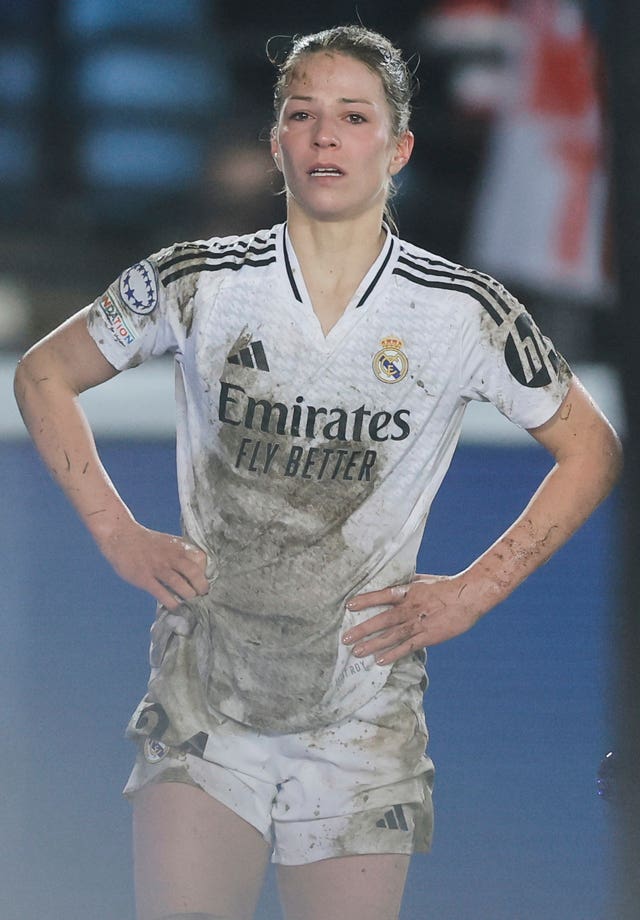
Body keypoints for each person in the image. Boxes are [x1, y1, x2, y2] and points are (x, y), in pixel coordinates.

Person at [13, 24, 622, 920]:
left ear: (400, 147)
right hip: (203, 701)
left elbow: (593, 447)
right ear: (276, 142)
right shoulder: (199, 282)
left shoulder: (464, 312)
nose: (326, 135)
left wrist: (473, 592)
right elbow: (42, 373)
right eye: (303, 114)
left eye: (353, 116)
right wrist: (115, 528)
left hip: (363, 719)